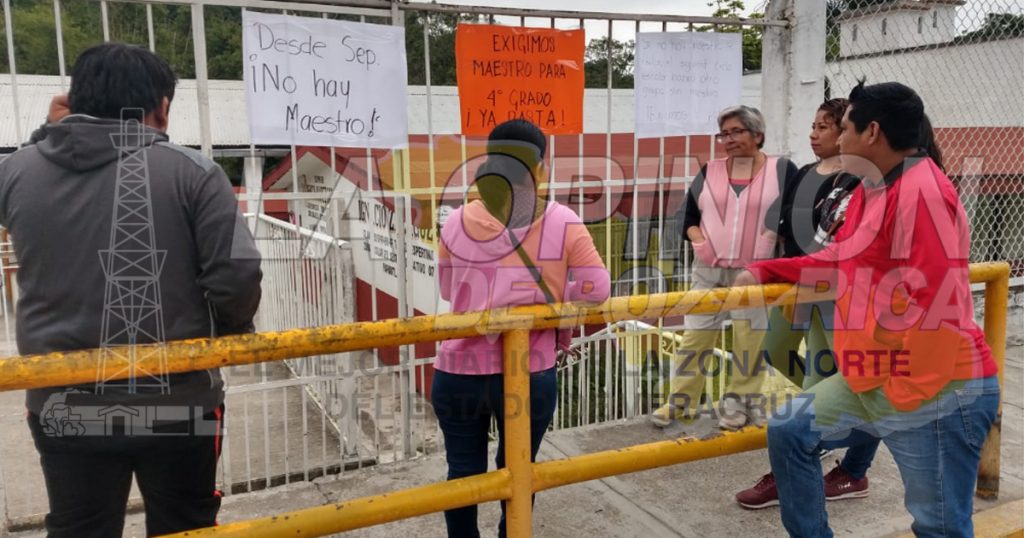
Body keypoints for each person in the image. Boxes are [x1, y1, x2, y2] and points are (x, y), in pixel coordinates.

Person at [0, 43, 262, 537]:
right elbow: (238, 273)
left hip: (62, 403)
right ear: (161, 105)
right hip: (179, 399)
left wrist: (47, 132)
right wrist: (231, 332)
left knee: (79, 527)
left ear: (72, 99)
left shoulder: (15, 171)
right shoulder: (194, 172)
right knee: (186, 524)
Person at [735, 81, 999, 537]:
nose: (837, 139)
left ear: (872, 131)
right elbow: (838, 258)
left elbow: (929, 304)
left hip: (935, 387)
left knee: (940, 527)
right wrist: (766, 270)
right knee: (790, 429)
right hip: (876, 374)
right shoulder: (871, 188)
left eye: (845, 127)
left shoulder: (923, 193)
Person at [433, 119, 610, 538]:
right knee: (518, 471)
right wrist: (546, 293)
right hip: (528, 371)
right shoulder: (562, 219)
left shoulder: (456, 220)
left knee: (462, 471)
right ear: (540, 165)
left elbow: (446, 286)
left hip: (459, 368)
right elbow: (597, 289)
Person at [735, 98, 878, 509]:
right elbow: (784, 227)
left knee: (827, 388)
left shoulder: (864, 183)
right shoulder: (810, 175)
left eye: (827, 127)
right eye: (812, 126)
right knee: (778, 353)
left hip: (833, 293)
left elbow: (845, 250)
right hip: (800, 286)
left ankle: (811, 468)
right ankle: (835, 427)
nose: (814, 134)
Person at [651, 105, 798, 430]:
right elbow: (687, 218)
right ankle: (680, 402)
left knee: (749, 340)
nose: (728, 139)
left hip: (753, 273)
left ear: (757, 135)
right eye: (724, 134)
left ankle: (738, 405)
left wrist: (768, 239)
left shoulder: (782, 170)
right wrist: (699, 241)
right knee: (695, 337)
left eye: (736, 132)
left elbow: (791, 213)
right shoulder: (710, 170)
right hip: (707, 271)